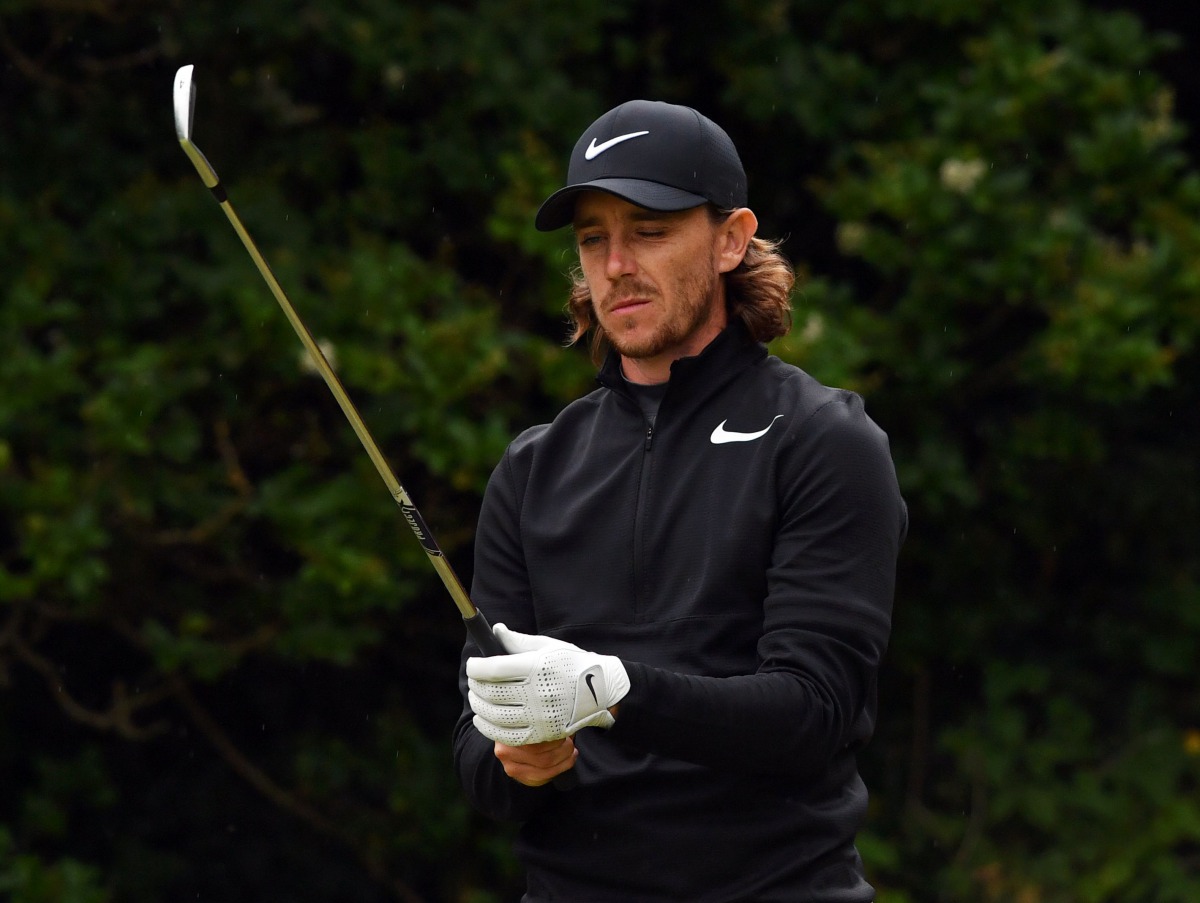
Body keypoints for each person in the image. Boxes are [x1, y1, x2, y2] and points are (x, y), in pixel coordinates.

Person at [453, 99, 908, 902]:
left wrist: (612, 689)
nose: (616, 264)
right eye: (594, 238)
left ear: (731, 238)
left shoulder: (821, 439)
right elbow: (476, 757)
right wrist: (518, 759)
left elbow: (813, 711)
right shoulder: (532, 470)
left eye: (649, 230)